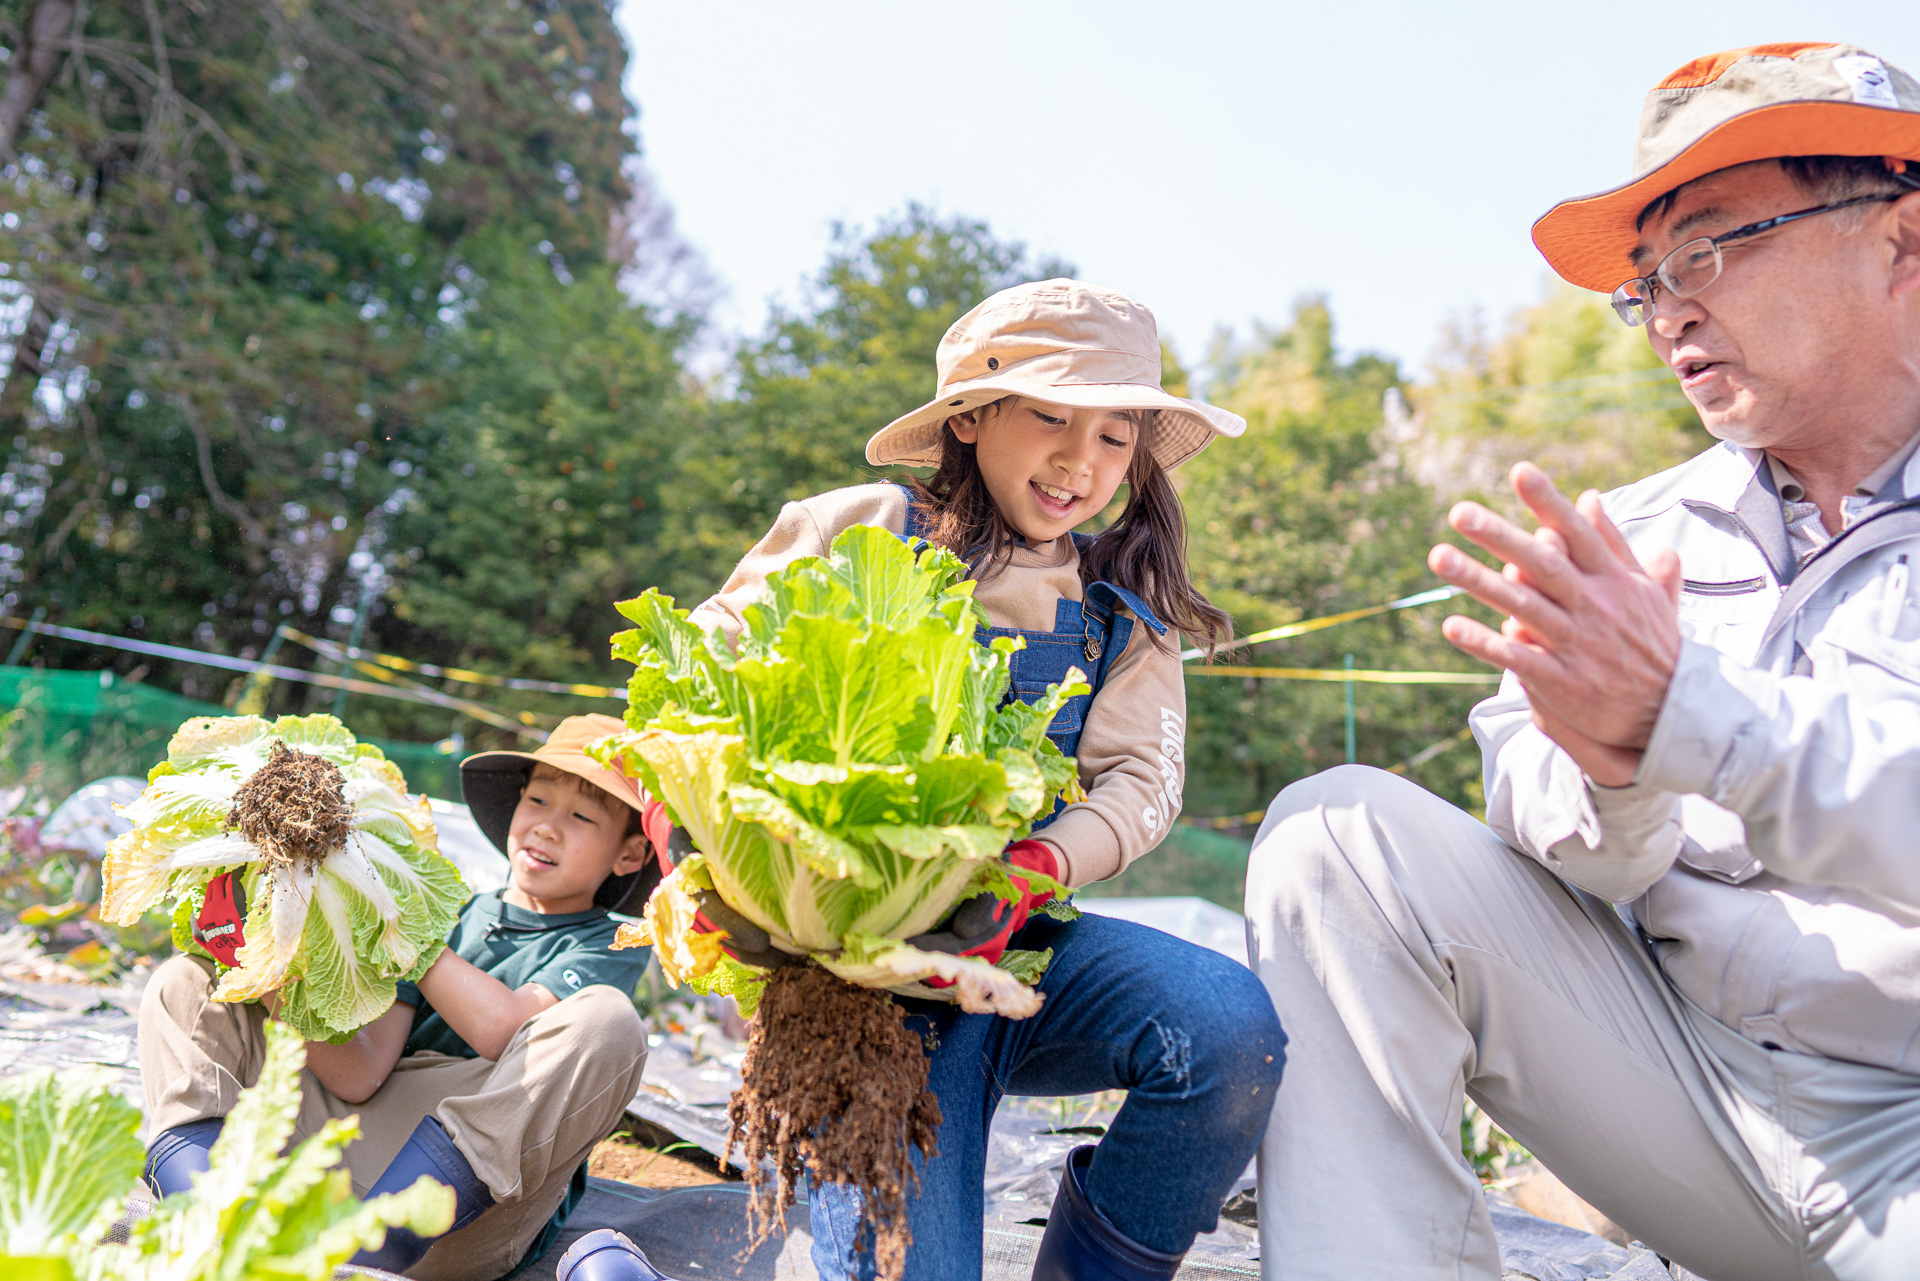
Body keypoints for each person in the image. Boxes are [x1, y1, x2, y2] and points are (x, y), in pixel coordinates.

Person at [1243, 42, 1920, 1280]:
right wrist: (1614, 775)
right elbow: (1573, 850)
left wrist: (1687, 714)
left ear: (1901, 239)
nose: (1668, 309)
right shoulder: (1629, 541)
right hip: (1684, 1095)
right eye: (1646, 282)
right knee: (1336, 835)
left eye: (1710, 245)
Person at [587, 279, 1286, 1281]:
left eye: (1114, 438)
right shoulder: (858, 528)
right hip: (850, 991)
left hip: (1014, 955)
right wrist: (691, 853)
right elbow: (684, 692)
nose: (1078, 463)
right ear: (969, 417)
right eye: (1051, 416)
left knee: (1226, 1032)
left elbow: (1139, 784)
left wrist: (1034, 870)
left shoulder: (1121, 612)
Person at [138, 714, 663, 1280]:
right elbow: (360, 1075)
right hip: (351, 1152)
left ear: (630, 855)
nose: (547, 827)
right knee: (185, 983)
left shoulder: (611, 942)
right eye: (537, 800)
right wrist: (263, 970)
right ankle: (206, 1223)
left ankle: (362, 1259)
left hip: (457, 1215)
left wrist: (403, 923)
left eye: (582, 816)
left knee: (609, 1021)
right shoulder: (450, 910)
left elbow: (501, 1027)